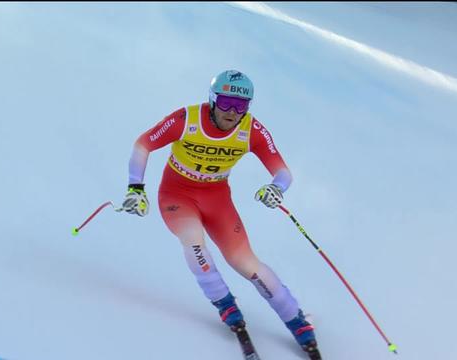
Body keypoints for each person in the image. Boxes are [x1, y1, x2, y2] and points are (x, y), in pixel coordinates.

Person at [120, 70, 318, 355]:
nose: (232, 112)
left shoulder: (252, 130)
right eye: (225, 102)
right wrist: (135, 188)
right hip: (177, 196)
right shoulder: (186, 119)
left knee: (246, 263)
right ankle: (225, 304)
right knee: (194, 243)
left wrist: (276, 188)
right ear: (212, 100)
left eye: (241, 106)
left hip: (217, 200)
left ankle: (295, 320)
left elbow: (282, 171)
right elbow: (143, 144)